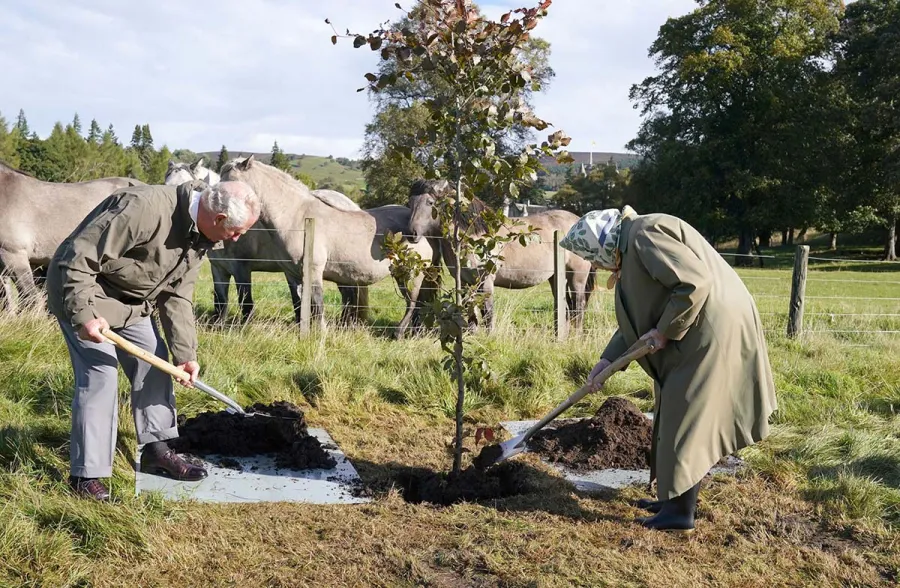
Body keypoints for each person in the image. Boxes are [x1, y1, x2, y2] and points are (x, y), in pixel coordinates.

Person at [559, 205, 777, 532]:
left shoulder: (645, 235)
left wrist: (664, 330)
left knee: (684, 414)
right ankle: (671, 498)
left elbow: (694, 284)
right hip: (695, 330)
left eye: (592, 256)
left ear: (602, 244)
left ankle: (679, 514)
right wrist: (607, 361)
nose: (593, 264)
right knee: (672, 408)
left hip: (710, 329)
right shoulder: (631, 248)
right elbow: (636, 321)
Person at [45, 179, 261, 501]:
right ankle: (86, 477)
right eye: (237, 231)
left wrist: (185, 355)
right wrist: (85, 315)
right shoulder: (143, 208)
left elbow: (177, 296)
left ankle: (156, 450)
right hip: (83, 294)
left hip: (131, 306)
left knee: (158, 363)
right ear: (218, 219)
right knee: (101, 374)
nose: (237, 238)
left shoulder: (200, 238)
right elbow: (79, 258)